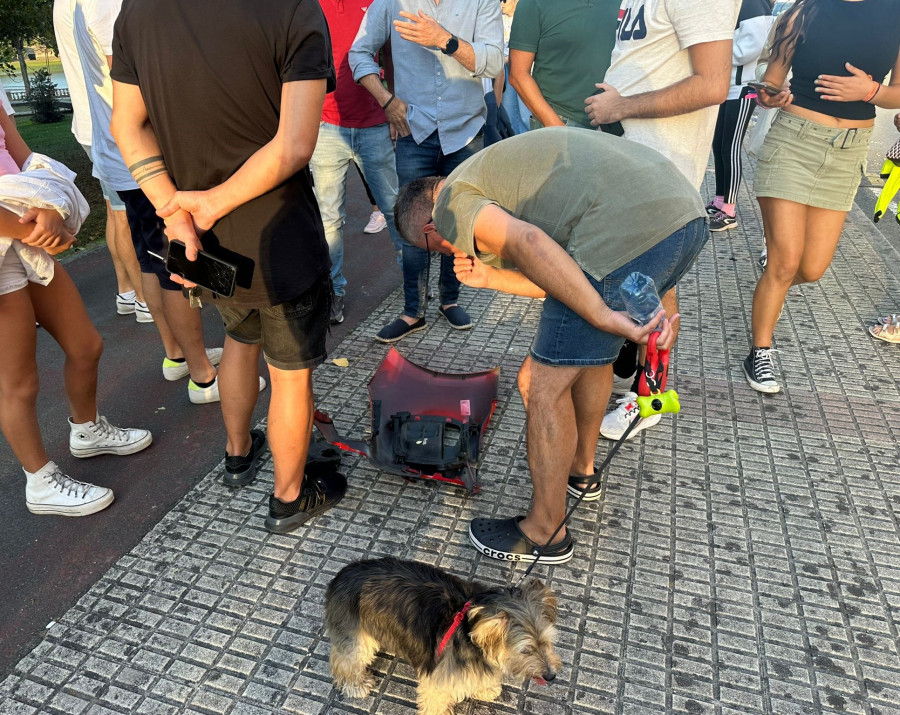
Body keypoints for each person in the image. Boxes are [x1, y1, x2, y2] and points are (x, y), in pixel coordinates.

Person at [392, 128, 708, 562]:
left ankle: (544, 532)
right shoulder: (494, 174)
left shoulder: (451, 202)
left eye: (434, 247)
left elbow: (531, 244)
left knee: (539, 384)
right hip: (685, 215)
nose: (446, 252)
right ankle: (582, 471)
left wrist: (600, 312)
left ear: (430, 225)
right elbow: (559, 280)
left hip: (625, 235)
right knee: (588, 356)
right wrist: (489, 277)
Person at [111, 0, 346, 533]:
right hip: (277, 234)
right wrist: (210, 203)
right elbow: (294, 145)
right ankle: (288, 497)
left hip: (202, 240)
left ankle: (239, 455)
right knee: (291, 375)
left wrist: (173, 208)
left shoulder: (138, 11)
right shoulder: (293, 9)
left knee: (241, 337)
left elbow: (126, 125)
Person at [584, 0, 738, 442]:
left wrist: (621, 107)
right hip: (631, 165)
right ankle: (635, 375)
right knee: (639, 282)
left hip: (659, 176)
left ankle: (649, 399)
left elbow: (712, 84)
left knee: (659, 285)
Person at [0, 107, 152, 517]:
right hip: (12, 237)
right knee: (19, 382)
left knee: (85, 345)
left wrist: (51, 209)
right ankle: (40, 481)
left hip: (23, 230)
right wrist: (43, 228)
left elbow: (25, 158)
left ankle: (87, 431)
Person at [743, 0, 900, 393]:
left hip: (850, 151)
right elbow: (771, 83)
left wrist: (871, 90)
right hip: (794, 142)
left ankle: (770, 287)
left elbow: (898, 94)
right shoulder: (804, 11)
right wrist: (770, 94)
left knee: (811, 269)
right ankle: (760, 350)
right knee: (785, 260)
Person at [349, 0, 504, 343]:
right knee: (412, 222)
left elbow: (494, 61)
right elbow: (358, 54)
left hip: (465, 131)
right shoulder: (392, 3)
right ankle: (412, 311)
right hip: (413, 131)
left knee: (460, 220)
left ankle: (450, 300)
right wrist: (387, 101)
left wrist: (444, 39)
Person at [310, 0, 406, 326]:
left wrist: (391, 105)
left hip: (374, 124)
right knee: (328, 220)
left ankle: (414, 285)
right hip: (325, 126)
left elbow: (390, 55)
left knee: (395, 210)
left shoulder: (376, 3)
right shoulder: (312, 5)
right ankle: (333, 292)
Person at [53, 0, 148, 321]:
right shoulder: (104, 2)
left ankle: (127, 291)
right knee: (129, 216)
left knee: (116, 210)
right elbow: (119, 70)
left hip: (92, 123)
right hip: (115, 127)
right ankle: (148, 300)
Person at [708, 0, 775, 232]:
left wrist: (716, 54)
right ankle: (719, 199)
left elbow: (753, 47)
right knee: (719, 144)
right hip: (726, 86)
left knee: (731, 146)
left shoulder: (753, 4)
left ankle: (729, 209)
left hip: (744, 87)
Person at [508, 0, 619, 130]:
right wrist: (556, 126)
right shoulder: (534, 4)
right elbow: (518, 74)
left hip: (618, 122)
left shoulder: (628, 3)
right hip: (562, 121)